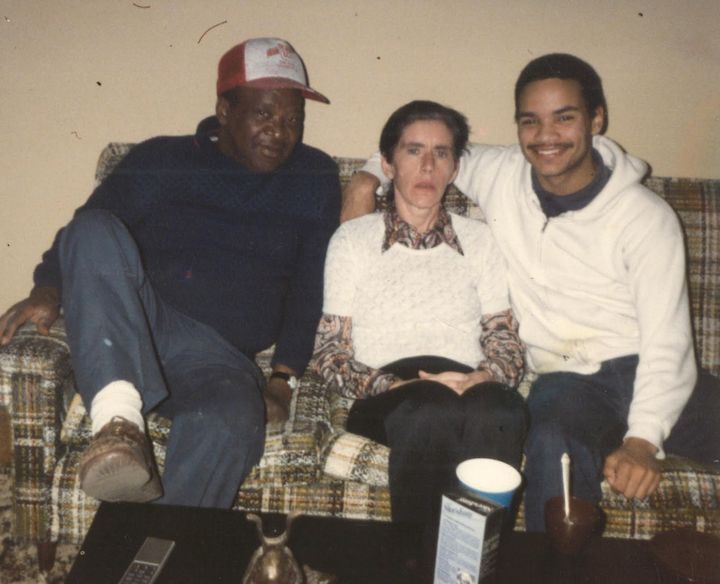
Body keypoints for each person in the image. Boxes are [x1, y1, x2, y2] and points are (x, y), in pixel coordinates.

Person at [341, 53, 720, 532]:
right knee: (551, 441)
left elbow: (669, 343)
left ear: (596, 120)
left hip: (655, 370)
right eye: (530, 121)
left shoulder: (646, 218)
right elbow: (425, 146)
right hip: (569, 383)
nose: (547, 136)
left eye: (565, 118)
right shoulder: (501, 173)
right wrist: (364, 181)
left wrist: (643, 440)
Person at [0, 37, 341, 508]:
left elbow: (310, 284)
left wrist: (282, 381)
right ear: (224, 109)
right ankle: (118, 423)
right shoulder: (161, 159)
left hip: (219, 360)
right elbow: (87, 235)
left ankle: (151, 555)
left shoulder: (313, 176)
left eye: (292, 120)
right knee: (96, 226)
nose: (280, 132)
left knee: (232, 421)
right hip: (137, 333)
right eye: (264, 114)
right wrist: (48, 286)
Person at [313, 100, 528, 569]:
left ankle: (473, 571)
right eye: (413, 151)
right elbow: (330, 354)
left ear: (454, 167)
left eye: (442, 153)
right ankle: (417, 569)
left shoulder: (481, 240)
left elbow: (505, 340)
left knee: (504, 408)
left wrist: (483, 377)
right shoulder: (352, 240)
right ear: (388, 164)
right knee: (428, 410)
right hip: (387, 392)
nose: (428, 165)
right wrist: (400, 385)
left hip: (464, 383)